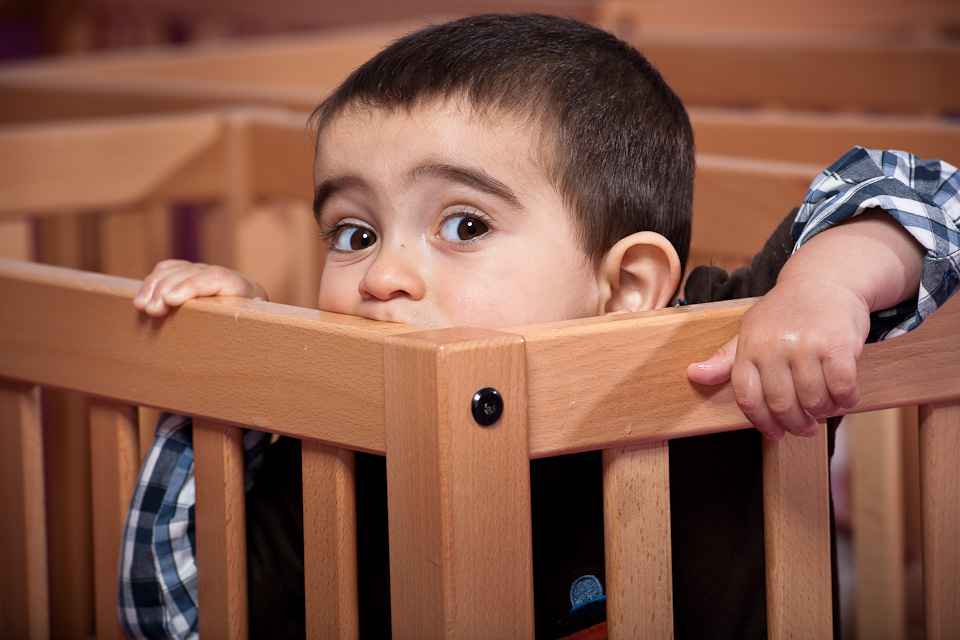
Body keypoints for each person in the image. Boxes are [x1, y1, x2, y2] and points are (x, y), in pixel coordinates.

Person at [120, 13, 960, 640]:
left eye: (465, 226)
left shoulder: (722, 339)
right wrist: (232, 380)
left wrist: (822, 287)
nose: (381, 275)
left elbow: (931, 189)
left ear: (629, 285)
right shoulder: (335, 448)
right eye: (354, 234)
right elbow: (173, 614)